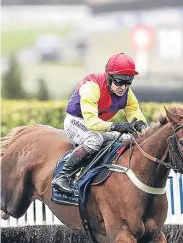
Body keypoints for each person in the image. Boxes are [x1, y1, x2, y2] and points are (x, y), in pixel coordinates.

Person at [52, 53, 147, 194]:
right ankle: (62, 176)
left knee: (130, 139)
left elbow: (134, 111)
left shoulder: (126, 92)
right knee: (94, 140)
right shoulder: (92, 87)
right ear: (109, 77)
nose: (123, 87)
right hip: (76, 122)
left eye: (128, 83)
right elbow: (91, 123)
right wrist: (115, 126)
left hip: (100, 125)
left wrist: (141, 126)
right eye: (119, 82)